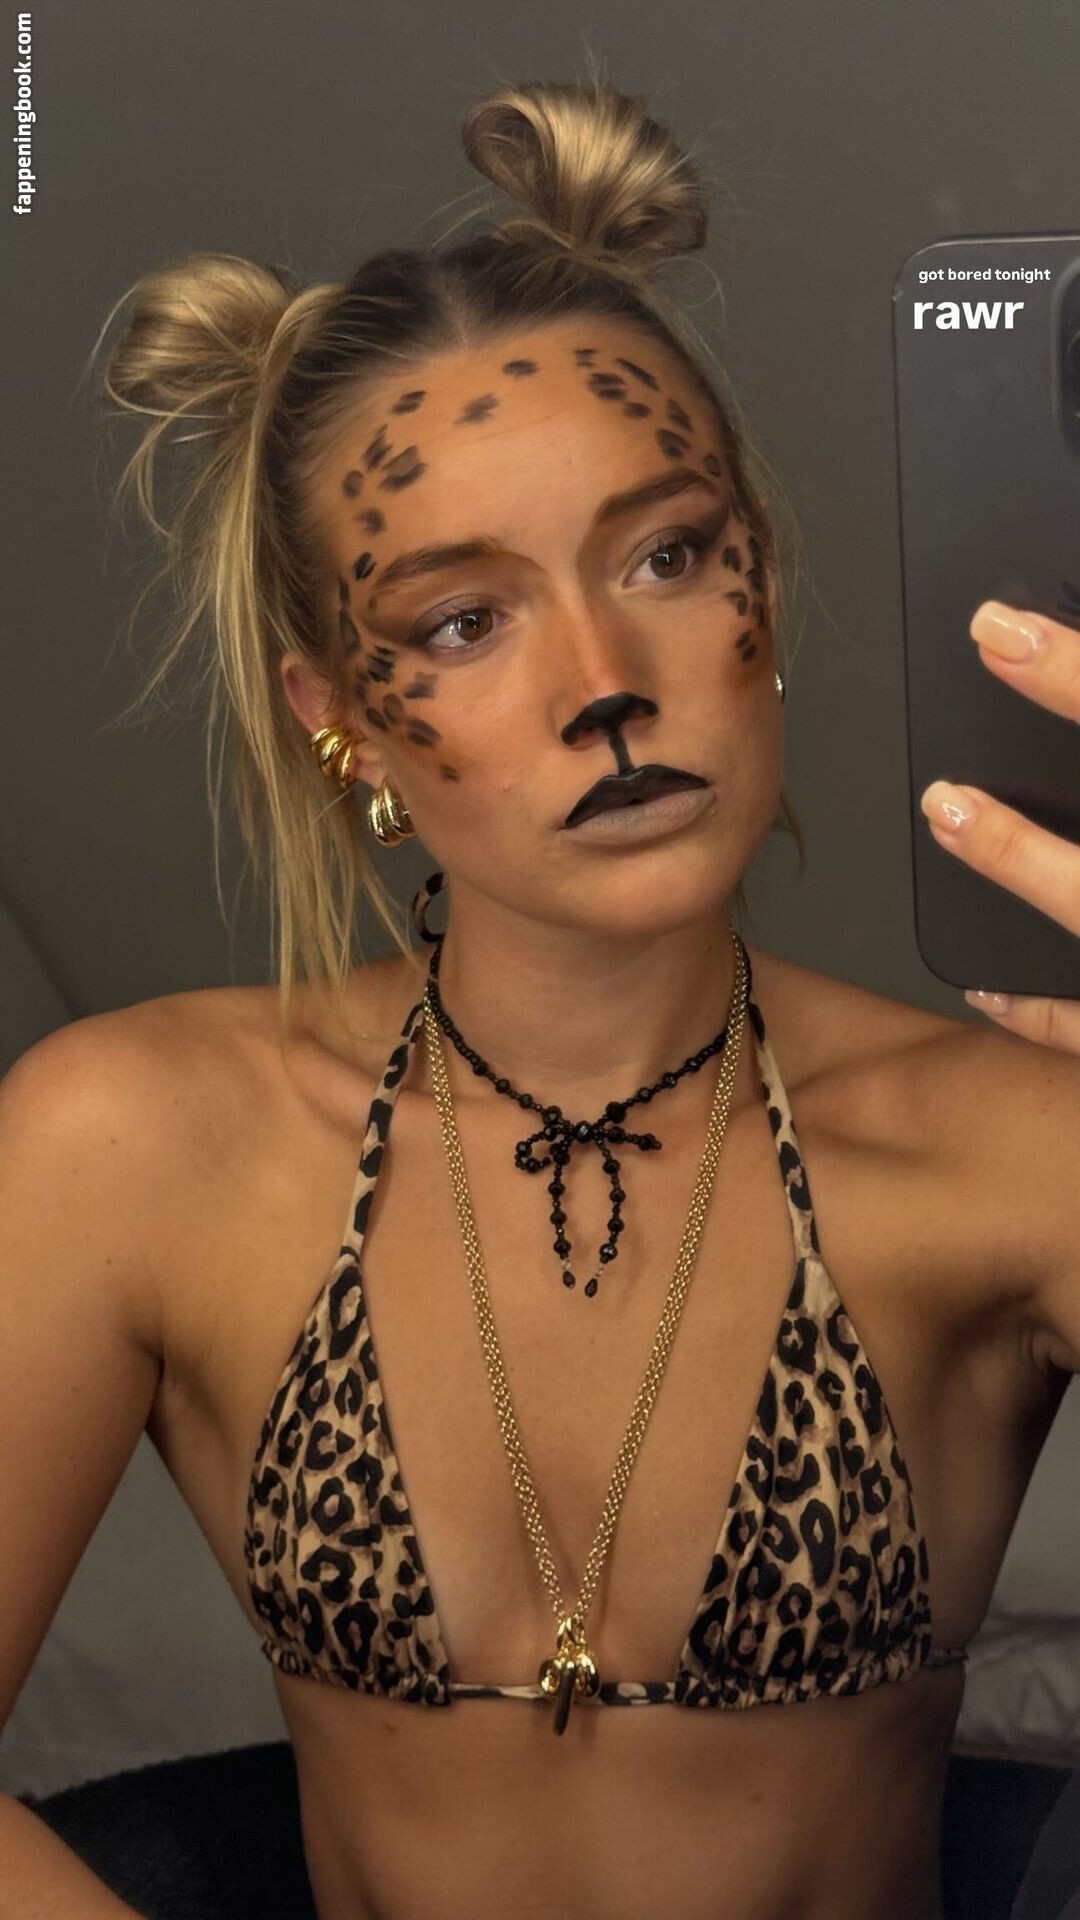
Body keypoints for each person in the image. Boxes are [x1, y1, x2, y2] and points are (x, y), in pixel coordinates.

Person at [2, 75, 1079, 1920]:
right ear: (339, 716)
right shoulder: (133, 1145)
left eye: (667, 554)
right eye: (462, 620)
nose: (604, 680)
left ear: (760, 582)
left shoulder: (1010, 1149)